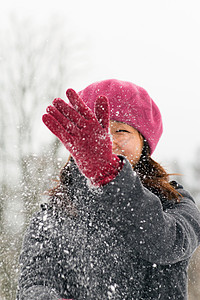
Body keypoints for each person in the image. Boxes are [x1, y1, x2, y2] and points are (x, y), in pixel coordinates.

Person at [16, 79, 200, 300]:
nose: (107, 141)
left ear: (144, 143)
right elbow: (34, 285)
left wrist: (109, 174)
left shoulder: (175, 202)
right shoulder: (54, 214)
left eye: (121, 130)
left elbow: (166, 245)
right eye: (98, 130)